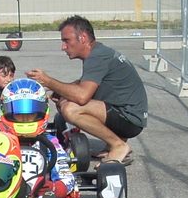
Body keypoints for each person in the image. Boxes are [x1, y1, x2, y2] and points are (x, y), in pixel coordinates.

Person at [27, 16, 147, 166]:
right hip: (128, 114)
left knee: (70, 109)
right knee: (65, 100)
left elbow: (82, 96)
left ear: (83, 38)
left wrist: (48, 81)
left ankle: (118, 145)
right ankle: (114, 145)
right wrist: (57, 89)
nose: (63, 47)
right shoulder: (98, 52)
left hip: (130, 119)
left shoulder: (97, 57)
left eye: (66, 41)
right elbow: (84, 83)